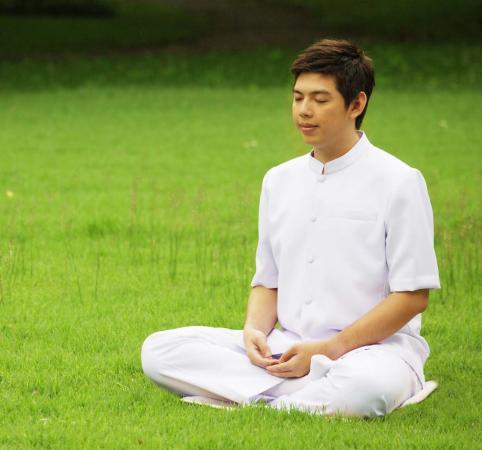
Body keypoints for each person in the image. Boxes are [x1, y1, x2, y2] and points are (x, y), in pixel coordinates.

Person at [141, 38, 441, 418]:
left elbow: (413, 296)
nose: (304, 110)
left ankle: (267, 398)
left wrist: (330, 350)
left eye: (320, 99)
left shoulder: (399, 181)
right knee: (159, 351)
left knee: (366, 388)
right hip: (287, 348)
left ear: (356, 104)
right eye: (298, 97)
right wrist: (254, 332)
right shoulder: (278, 180)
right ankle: (305, 396)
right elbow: (268, 281)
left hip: (374, 353)